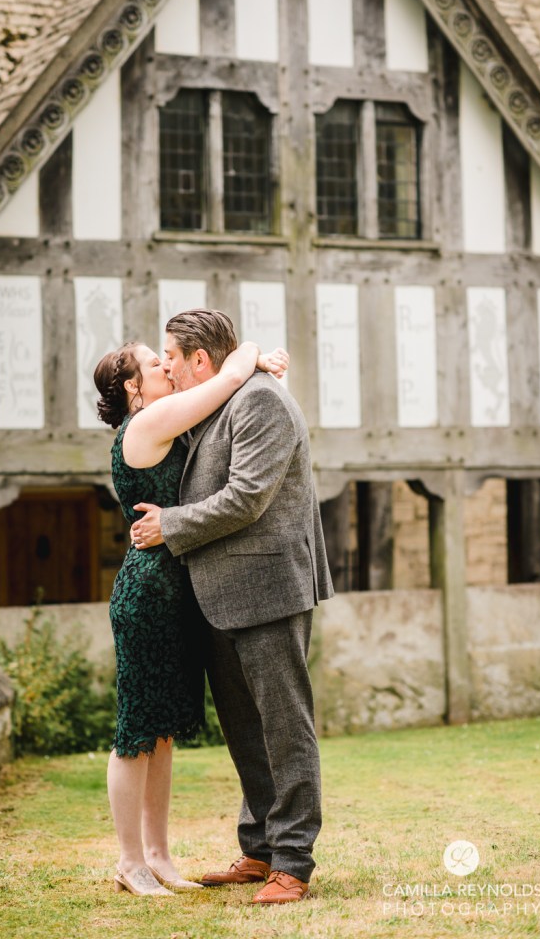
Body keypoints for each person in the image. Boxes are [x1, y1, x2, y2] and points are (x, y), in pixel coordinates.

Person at [131, 309, 334, 906]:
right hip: (217, 595)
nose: (165, 365)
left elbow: (246, 498)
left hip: (270, 589)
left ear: (199, 358)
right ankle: (258, 849)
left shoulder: (262, 402)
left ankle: (292, 863)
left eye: (172, 354)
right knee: (245, 731)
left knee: (284, 727)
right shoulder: (212, 401)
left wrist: (171, 525)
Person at [93, 338, 288, 898]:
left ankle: (159, 856)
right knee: (136, 730)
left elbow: (223, 395)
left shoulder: (166, 419)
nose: (167, 366)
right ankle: (130, 861)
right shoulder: (148, 422)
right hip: (149, 594)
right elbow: (224, 381)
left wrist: (264, 364)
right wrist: (250, 351)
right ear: (134, 387)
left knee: (163, 734)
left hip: (179, 592)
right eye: (156, 364)